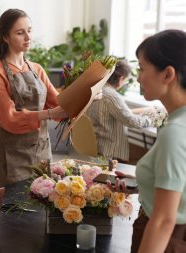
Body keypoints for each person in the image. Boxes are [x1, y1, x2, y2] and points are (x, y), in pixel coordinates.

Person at [111, 30, 186, 253]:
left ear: (168, 74)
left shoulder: (175, 130)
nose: (138, 77)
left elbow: (163, 220)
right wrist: (144, 178)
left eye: (142, 68)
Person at [0, 9, 68, 188]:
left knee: (44, 199)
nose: (28, 37)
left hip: (42, 149)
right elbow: (9, 118)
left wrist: (86, 94)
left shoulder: (36, 68)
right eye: (20, 32)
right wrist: (48, 113)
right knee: (15, 206)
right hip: (13, 153)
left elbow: (59, 104)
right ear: (6, 37)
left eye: (29, 30)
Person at [86, 59, 153, 163]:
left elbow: (112, 113)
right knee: (147, 155)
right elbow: (132, 122)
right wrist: (151, 119)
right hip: (110, 150)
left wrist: (142, 110)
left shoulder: (97, 90)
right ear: (121, 78)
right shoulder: (112, 97)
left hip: (96, 145)